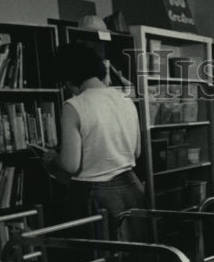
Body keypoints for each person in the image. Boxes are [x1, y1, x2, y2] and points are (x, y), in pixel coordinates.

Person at [44, 42, 145, 238]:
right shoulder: (125, 98)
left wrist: (52, 157)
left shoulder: (74, 105)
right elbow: (136, 152)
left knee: (100, 261)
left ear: (68, 78)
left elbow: (71, 165)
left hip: (95, 194)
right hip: (131, 188)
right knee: (135, 258)